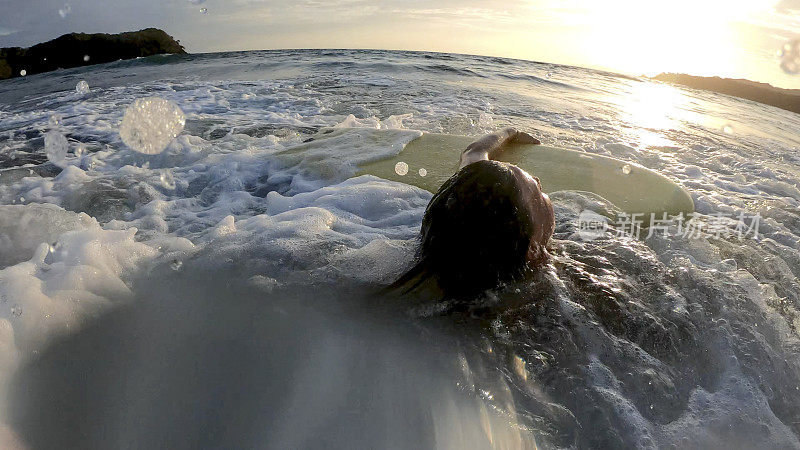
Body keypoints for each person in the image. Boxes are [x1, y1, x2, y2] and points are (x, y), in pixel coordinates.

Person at [389, 128, 555, 299]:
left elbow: (474, 153)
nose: (537, 180)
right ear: (532, 250)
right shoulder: (542, 303)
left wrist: (511, 132)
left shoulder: (462, 213)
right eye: (538, 192)